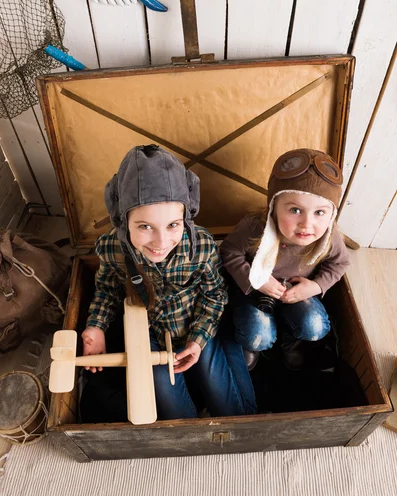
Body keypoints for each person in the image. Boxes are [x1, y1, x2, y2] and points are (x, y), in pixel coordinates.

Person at [81, 144, 256, 420]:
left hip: (195, 324)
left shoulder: (200, 247)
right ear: (123, 220)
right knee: (174, 414)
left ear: (185, 218)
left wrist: (198, 341)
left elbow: (215, 296)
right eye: (145, 226)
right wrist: (96, 326)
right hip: (148, 332)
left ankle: (224, 367)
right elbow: (107, 289)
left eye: (173, 225)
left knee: (232, 410)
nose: (161, 243)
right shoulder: (112, 248)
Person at [220, 148, 350, 371]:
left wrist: (315, 286)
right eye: (295, 210)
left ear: (331, 214)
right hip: (255, 290)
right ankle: (255, 346)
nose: (307, 224)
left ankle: (290, 339)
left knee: (315, 326)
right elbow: (229, 252)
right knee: (257, 335)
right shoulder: (255, 226)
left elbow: (340, 263)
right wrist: (256, 281)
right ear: (274, 207)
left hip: (295, 292)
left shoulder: (329, 236)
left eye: (319, 212)